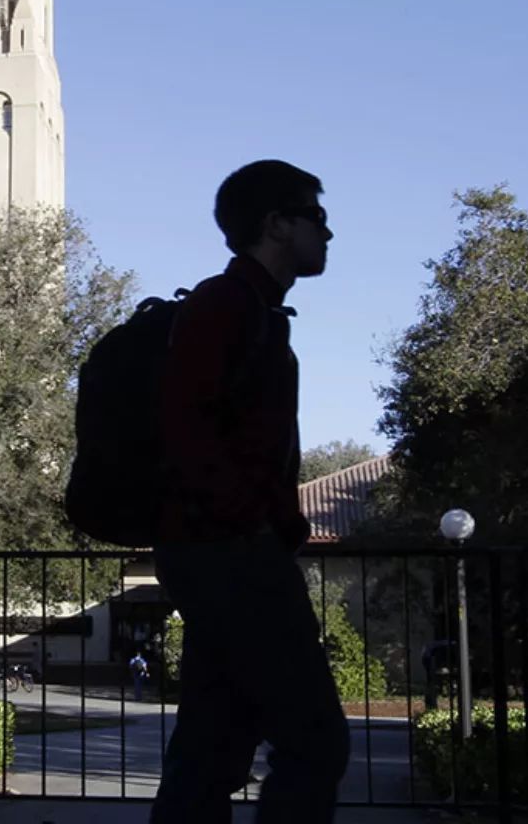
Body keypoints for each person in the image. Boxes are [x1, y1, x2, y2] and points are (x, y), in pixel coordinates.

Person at [150, 160, 348, 824]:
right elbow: (186, 427)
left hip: (220, 550)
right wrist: (253, 529)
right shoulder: (225, 306)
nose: (329, 232)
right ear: (277, 225)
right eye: (316, 217)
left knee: (212, 748)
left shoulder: (254, 311)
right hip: (228, 555)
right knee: (316, 738)